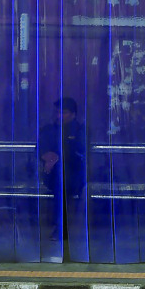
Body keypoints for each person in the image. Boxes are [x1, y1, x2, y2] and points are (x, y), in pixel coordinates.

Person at [37, 97, 87, 242]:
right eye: (58, 112)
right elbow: (39, 149)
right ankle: (59, 227)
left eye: (63, 113)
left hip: (74, 176)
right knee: (60, 182)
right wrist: (46, 156)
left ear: (73, 114)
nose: (59, 116)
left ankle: (60, 227)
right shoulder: (48, 130)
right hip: (52, 175)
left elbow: (80, 152)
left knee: (62, 182)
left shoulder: (80, 131)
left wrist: (57, 157)